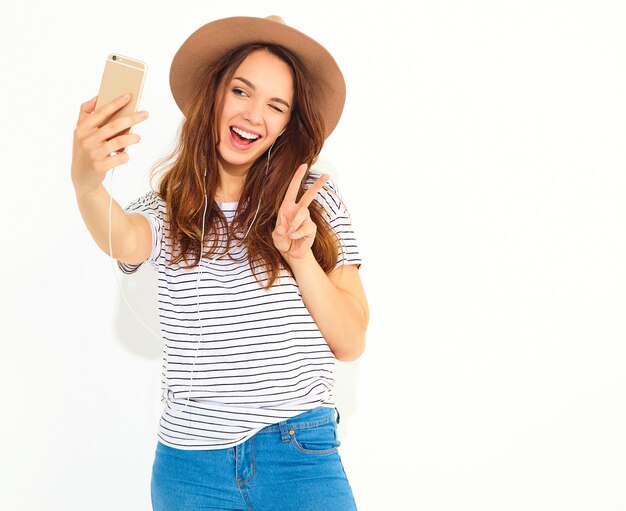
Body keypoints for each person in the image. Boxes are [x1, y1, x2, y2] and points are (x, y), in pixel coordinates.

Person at [71, 14, 369, 511]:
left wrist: (300, 257)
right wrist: (86, 182)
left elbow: (351, 340)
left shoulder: (315, 199)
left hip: (298, 455)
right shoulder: (167, 210)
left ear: (286, 125)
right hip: (190, 469)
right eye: (241, 91)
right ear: (214, 94)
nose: (254, 115)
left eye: (276, 105)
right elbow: (122, 238)